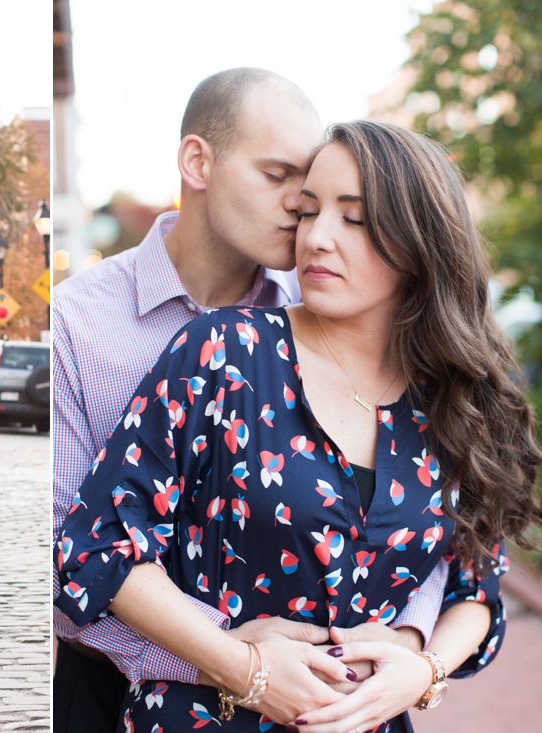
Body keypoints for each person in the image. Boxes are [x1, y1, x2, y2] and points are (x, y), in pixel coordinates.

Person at [56, 120, 542, 732]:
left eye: (354, 218)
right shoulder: (224, 350)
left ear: (423, 242)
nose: (317, 238)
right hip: (207, 717)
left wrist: (423, 671)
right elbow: (99, 541)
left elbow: (475, 580)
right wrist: (242, 667)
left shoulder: (450, 397)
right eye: (309, 213)